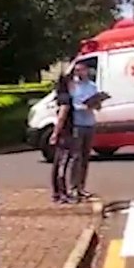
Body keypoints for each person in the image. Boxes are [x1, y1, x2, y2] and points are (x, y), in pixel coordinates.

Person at [66, 61, 101, 201]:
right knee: (76, 157)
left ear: (87, 71)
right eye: (76, 70)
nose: (79, 73)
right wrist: (82, 107)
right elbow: (71, 105)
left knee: (86, 157)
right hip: (77, 124)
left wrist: (96, 104)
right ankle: (72, 187)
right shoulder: (73, 86)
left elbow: (97, 105)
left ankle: (81, 187)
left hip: (89, 124)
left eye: (81, 70)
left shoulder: (92, 86)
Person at [48, 73, 75, 203]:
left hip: (63, 133)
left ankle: (56, 192)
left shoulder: (60, 96)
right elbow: (62, 116)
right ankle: (62, 193)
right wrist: (55, 133)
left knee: (58, 163)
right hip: (66, 133)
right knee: (62, 164)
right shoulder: (66, 98)